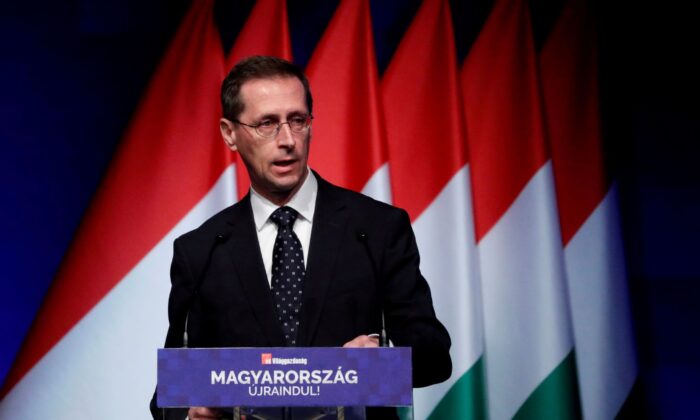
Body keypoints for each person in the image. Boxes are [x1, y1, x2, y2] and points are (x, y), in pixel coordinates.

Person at [150, 56, 451, 420]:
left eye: (298, 120)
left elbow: (434, 355)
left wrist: (381, 356)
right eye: (267, 124)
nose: (288, 140)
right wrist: (189, 413)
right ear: (230, 133)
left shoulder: (377, 228)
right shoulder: (200, 251)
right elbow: (170, 393)